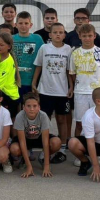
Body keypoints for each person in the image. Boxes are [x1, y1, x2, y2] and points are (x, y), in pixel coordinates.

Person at [32, 22, 72, 152]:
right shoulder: (44, 48)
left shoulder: (68, 49)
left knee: (61, 119)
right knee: (45, 119)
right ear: (50, 35)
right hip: (45, 91)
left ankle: (63, 147)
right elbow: (39, 66)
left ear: (64, 35)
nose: (58, 35)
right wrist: (34, 83)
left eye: (61, 32)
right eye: (55, 32)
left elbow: (69, 70)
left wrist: (71, 86)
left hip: (62, 92)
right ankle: (45, 145)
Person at [68, 23, 100, 147]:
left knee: (99, 122)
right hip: (80, 93)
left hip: (98, 94)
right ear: (79, 36)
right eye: (84, 36)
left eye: (90, 36)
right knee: (80, 123)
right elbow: (73, 73)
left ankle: (99, 150)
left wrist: (97, 85)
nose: (87, 38)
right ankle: (79, 150)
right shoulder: (75, 53)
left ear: (94, 36)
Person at [13, 93, 62, 179]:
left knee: (56, 142)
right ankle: (25, 159)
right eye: (28, 106)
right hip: (26, 139)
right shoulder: (20, 116)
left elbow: (45, 141)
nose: (31, 109)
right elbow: (22, 142)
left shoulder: (43, 116)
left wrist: (47, 165)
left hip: (39, 138)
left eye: (34, 106)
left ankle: (43, 157)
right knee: (14, 149)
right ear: (23, 107)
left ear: (39, 107)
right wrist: (29, 167)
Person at [12, 11, 45, 99]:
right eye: (20, 23)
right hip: (14, 82)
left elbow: (41, 61)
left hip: (31, 81)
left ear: (31, 25)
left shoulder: (37, 38)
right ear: (16, 25)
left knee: (30, 105)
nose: (23, 26)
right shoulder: (11, 39)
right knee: (15, 106)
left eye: (26, 23)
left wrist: (34, 82)